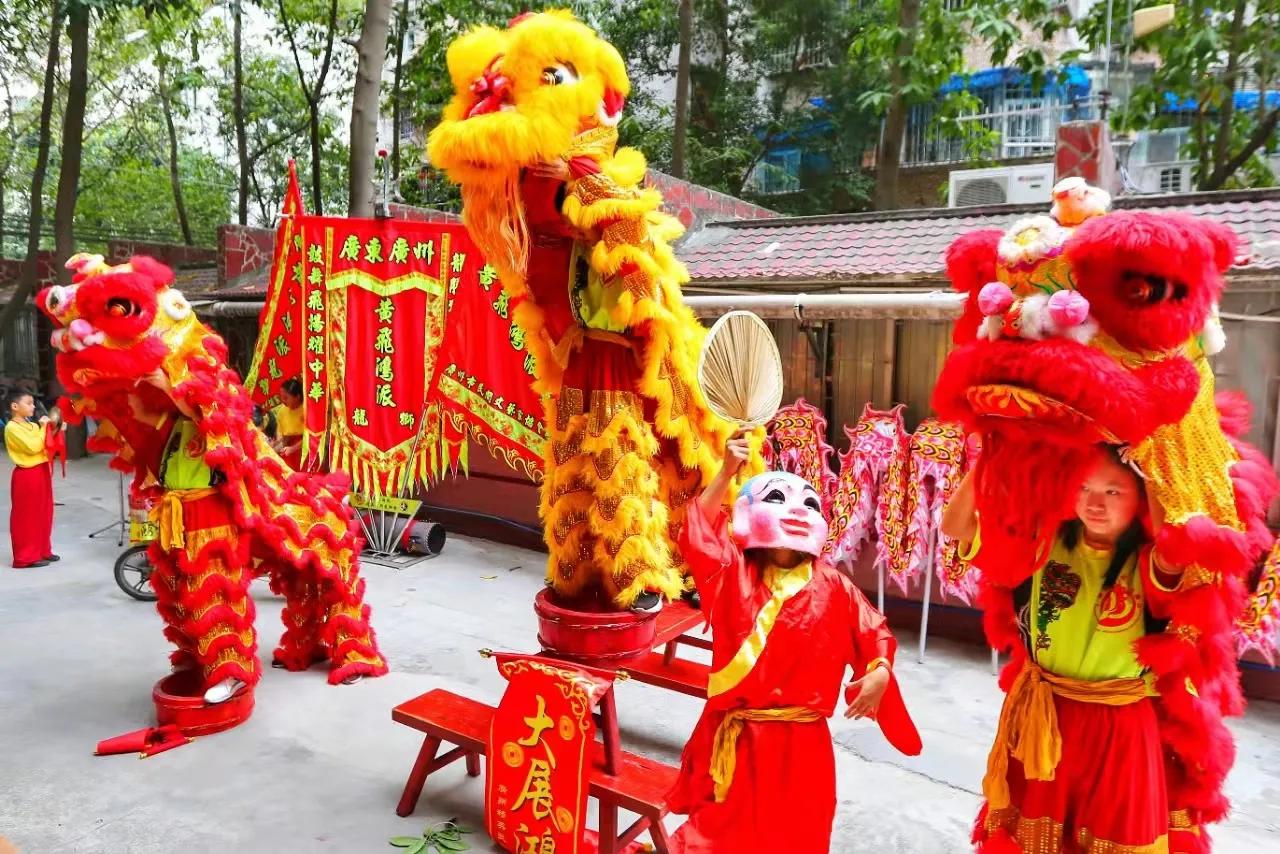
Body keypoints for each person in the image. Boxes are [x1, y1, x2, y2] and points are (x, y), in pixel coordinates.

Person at [666, 430, 920, 853]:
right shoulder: (732, 575)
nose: (798, 511)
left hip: (805, 749)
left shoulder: (834, 587)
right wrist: (727, 469)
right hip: (742, 740)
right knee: (722, 837)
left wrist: (879, 672)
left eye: (809, 503)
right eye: (779, 500)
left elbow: (874, 632)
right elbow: (698, 535)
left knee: (799, 836)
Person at [942, 444, 1185, 853]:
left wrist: (1155, 465)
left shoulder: (1150, 563)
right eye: (1084, 487)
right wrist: (991, 452)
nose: (1095, 503)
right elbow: (955, 525)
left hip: (1120, 726)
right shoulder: (1041, 546)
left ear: (1140, 497)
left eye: (1113, 492)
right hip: (1046, 714)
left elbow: (1176, 546)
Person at [5, 390, 58, 568]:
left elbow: (47, 443)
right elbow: (34, 446)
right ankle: (25, 556)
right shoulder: (11, 428)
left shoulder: (33, 426)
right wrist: (44, 428)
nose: (33, 406)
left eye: (33, 403)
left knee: (44, 512)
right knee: (27, 516)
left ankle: (42, 550)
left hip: (41, 470)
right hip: (26, 474)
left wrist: (55, 427)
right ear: (14, 406)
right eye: (29, 403)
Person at [269, 378, 305, 470]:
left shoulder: (307, 409)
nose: (283, 401)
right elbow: (281, 434)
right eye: (281, 397)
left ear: (297, 396)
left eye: (286, 398)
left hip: (304, 450)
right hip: (288, 449)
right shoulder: (282, 411)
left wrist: (293, 448)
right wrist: (274, 443)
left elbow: (311, 437)